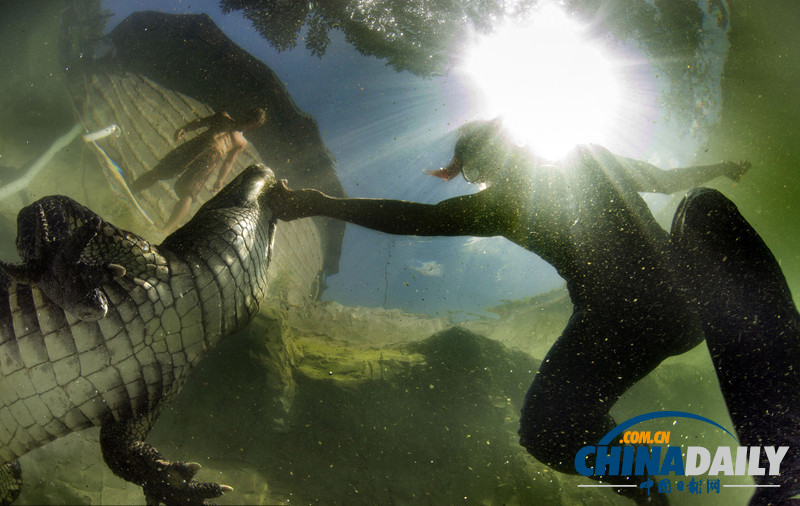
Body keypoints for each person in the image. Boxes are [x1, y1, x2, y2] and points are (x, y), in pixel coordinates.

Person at [270, 119, 755, 503]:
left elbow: (414, 218)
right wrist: (721, 169)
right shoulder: (589, 158)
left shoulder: (504, 203)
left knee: (548, 432)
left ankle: (649, 492)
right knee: (696, 213)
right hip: (687, 307)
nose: (483, 181)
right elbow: (668, 179)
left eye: (478, 172)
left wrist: (321, 203)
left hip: (622, 317)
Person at [131, 108, 266, 232]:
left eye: (253, 122)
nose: (248, 121)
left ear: (254, 126)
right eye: (250, 117)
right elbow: (201, 122)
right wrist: (185, 128)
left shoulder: (241, 142)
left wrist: (220, 179)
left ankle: (165, 230)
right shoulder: (223, 117)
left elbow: (229, 161)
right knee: (161, 170)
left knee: (190, 193)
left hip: (212, 159)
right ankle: (133, 189)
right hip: (197, 145)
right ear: (246, 113)